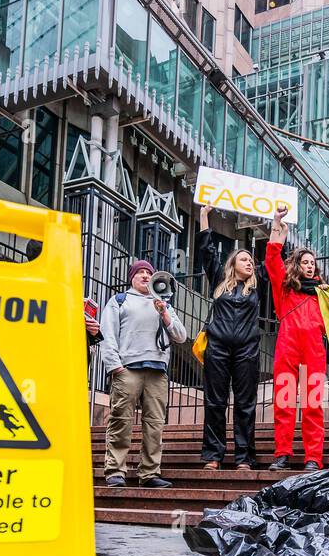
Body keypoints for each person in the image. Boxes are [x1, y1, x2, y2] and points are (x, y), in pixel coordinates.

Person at [100, 258, 188, 487]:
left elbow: (181, 336)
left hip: (157, 370)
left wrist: (164, 313)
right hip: (128, 368)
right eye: (140, 272)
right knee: (121, 420)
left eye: (149, 273)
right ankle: (115, 471)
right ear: (132, 277)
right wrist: (115, 367)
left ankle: (150, 473)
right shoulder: (119, 301)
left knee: (155, 423)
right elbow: (107, 335)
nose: (146, 276)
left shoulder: (163, 304)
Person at [196, 205, 262, 470]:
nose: (250, 263)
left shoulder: (258, 287)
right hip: (218, 349)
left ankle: (244, 457)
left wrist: (279, 223)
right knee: (215, 402)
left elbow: (276, 258)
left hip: (247, 351)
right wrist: (203, 217)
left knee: (245, 404)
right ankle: (213, 456)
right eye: (244, 259)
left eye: (252, 261)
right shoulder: (219, 281)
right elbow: (206, 251)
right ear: (233, 263)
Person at [265, 206, 326, 471]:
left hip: (313, 352)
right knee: (284, 402)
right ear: (297, 265)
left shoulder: (324, 294)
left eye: (313, 263)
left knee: (313, 404)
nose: (310, 266)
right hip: (288, 349)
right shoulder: (285, 289)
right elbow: (272, 260)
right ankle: (283, 454)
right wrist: (277, 227)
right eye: (305, 262)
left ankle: (313, 457)